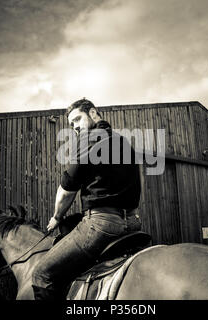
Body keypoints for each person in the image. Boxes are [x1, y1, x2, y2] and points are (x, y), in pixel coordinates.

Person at [32, 98, 142, 300]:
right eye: (71, 124)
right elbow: (136, 186)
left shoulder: (88, 140)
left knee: (41, 274)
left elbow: (67, 189)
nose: (74, 127)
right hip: (133, 224)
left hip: (101, 225)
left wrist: (57, 217)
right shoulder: (123, 141)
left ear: (93, 113)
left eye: (77, 119)